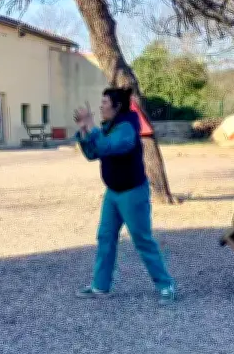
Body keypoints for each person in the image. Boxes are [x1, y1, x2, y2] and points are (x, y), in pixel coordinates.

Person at [73, 88, 176, 305]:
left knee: (142, 239)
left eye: (104, 102)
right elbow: (93, 153)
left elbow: (108, 146)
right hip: (113, 193)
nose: (100, 106)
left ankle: (166, 285)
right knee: (105, 237)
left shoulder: (127, 127)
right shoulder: (108, 127)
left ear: (117, 106)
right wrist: (84, 131)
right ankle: (100, 286)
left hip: (132, 193)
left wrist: (92, 127)